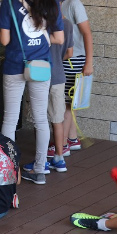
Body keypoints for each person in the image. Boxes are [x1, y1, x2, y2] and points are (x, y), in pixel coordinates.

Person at [0, 0, 64, 185]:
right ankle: (39, 170)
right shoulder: (51, 2)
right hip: (41, 67)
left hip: (15, 65)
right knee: (40, 120)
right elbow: (59, 37)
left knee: (10, 118)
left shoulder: (9, 3)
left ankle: (8, 171)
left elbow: (5, 41)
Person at [44, 0, 94, 154]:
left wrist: (89, 62)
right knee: (67, 104)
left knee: (64, 105)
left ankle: (61, 146)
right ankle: (72, 139)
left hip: (74, 60)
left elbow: (87, 33)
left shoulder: (72, 3)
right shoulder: (52, 3)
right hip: (65, 59)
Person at [24, 16, 74, 174]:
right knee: (57, 120)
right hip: (58, 76)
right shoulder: (67, 24)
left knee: (39, 119)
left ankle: (42, 160)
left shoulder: (36, 22)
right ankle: (59, 158)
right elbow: (69, 53)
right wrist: (57, 61)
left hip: (39, 74)